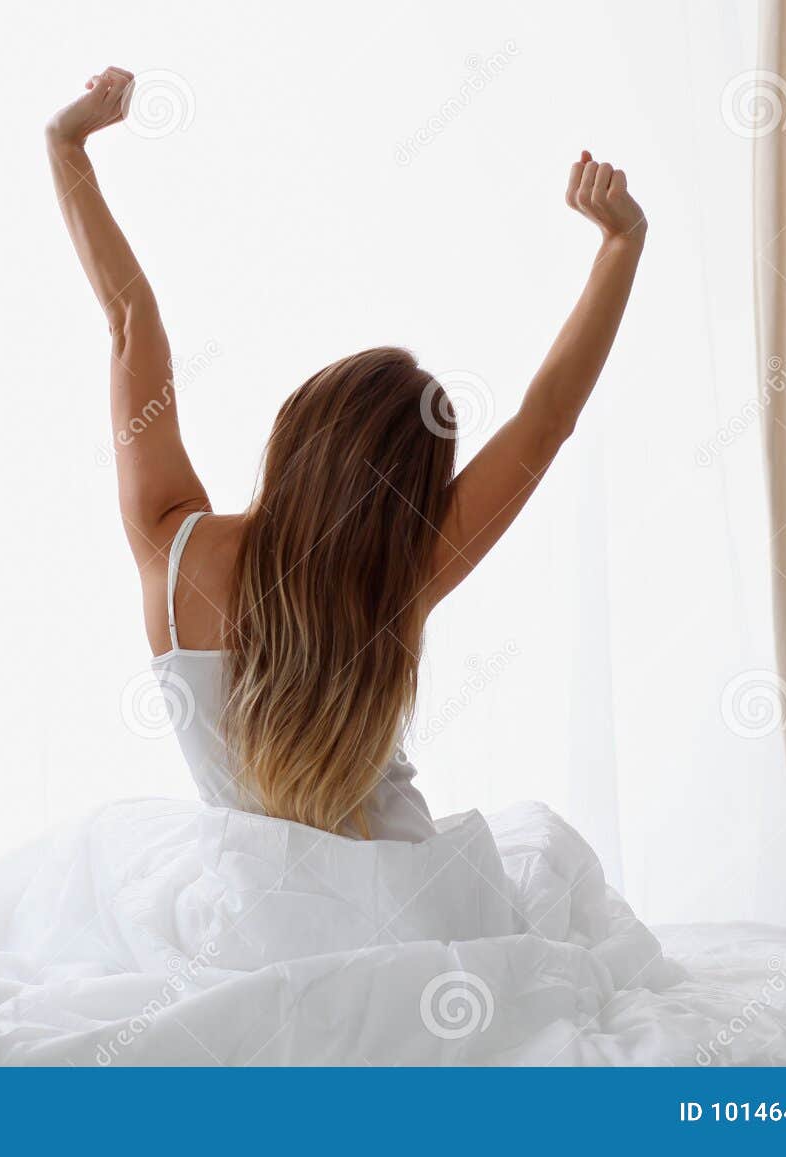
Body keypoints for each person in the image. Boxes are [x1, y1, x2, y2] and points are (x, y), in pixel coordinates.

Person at [47, 66, 646, 841]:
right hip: (405, 898)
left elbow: (132, 318)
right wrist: (622, 243)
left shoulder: (173, 542)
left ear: (297, 428)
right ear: (414, 493)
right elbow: (548, 418)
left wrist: (66, 147)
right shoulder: (402, 576)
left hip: (252, 910)